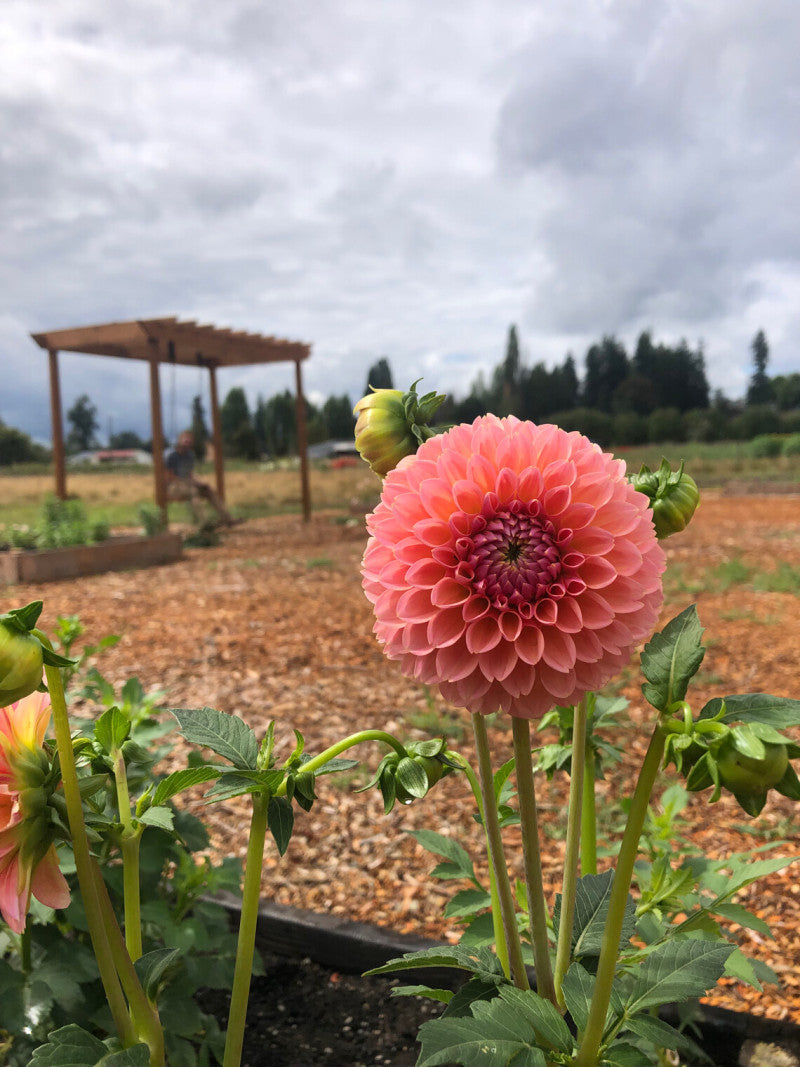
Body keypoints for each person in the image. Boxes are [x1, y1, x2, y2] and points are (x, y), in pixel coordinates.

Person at [165, 431, 239, 526]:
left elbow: (190, 474)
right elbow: (169, 476)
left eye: (189, 441)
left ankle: (227, 519)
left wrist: (200, 483)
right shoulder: (172, 456)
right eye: (185, 441)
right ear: (180, 441)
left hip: (187, 483)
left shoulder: (190, 455)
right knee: (193, 491)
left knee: (208, 490)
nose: (187, 444)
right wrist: (188, 482)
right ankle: (205, 522)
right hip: (173, 486)